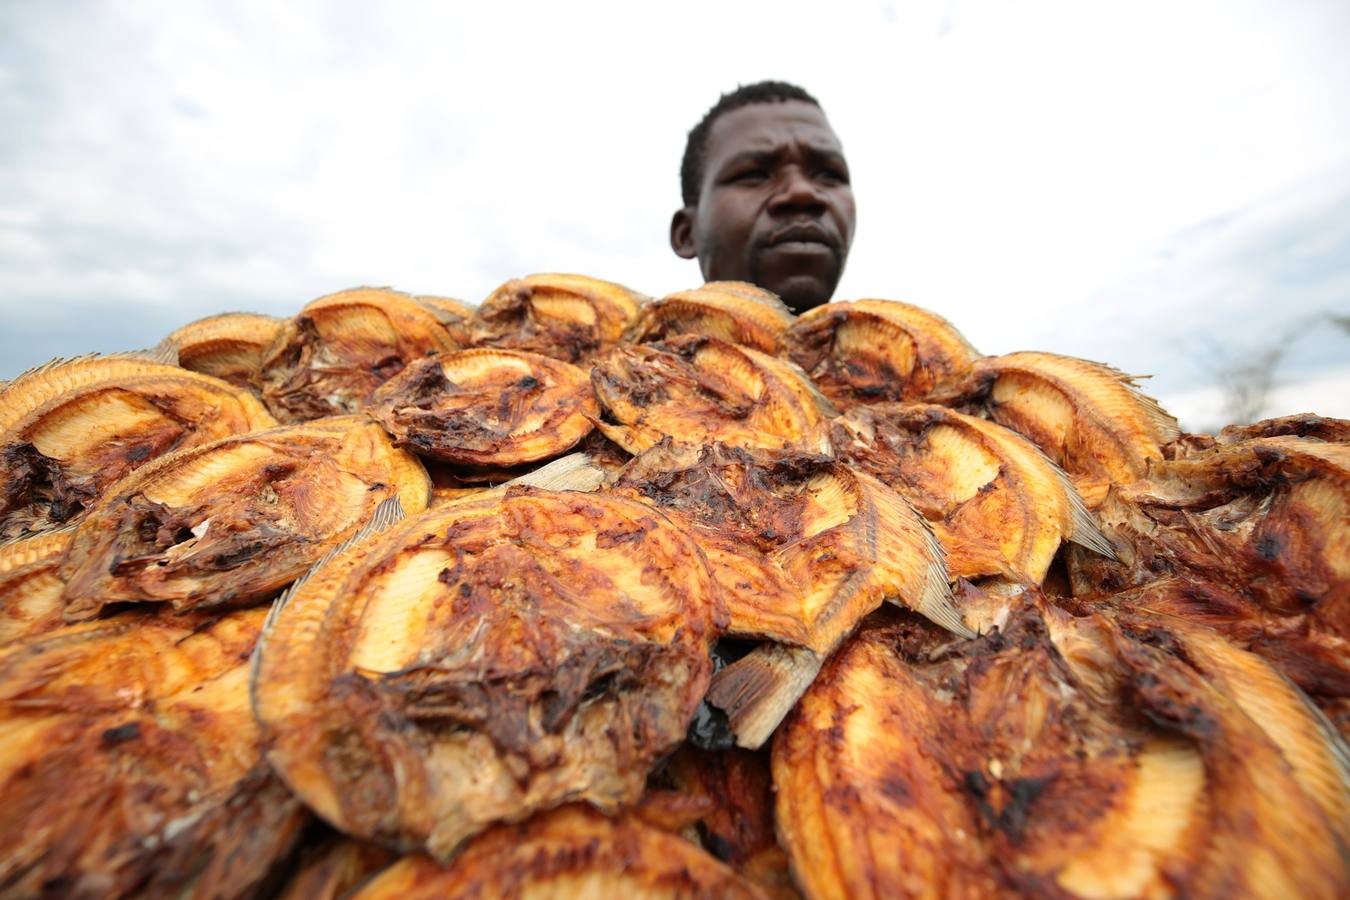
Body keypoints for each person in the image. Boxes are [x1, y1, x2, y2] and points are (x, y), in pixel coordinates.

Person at [670, 81, 856, 315]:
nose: (802, 192)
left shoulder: (912, 349)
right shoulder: (623, 350)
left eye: (829, 174)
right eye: (754, 175)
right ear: (686, 233)